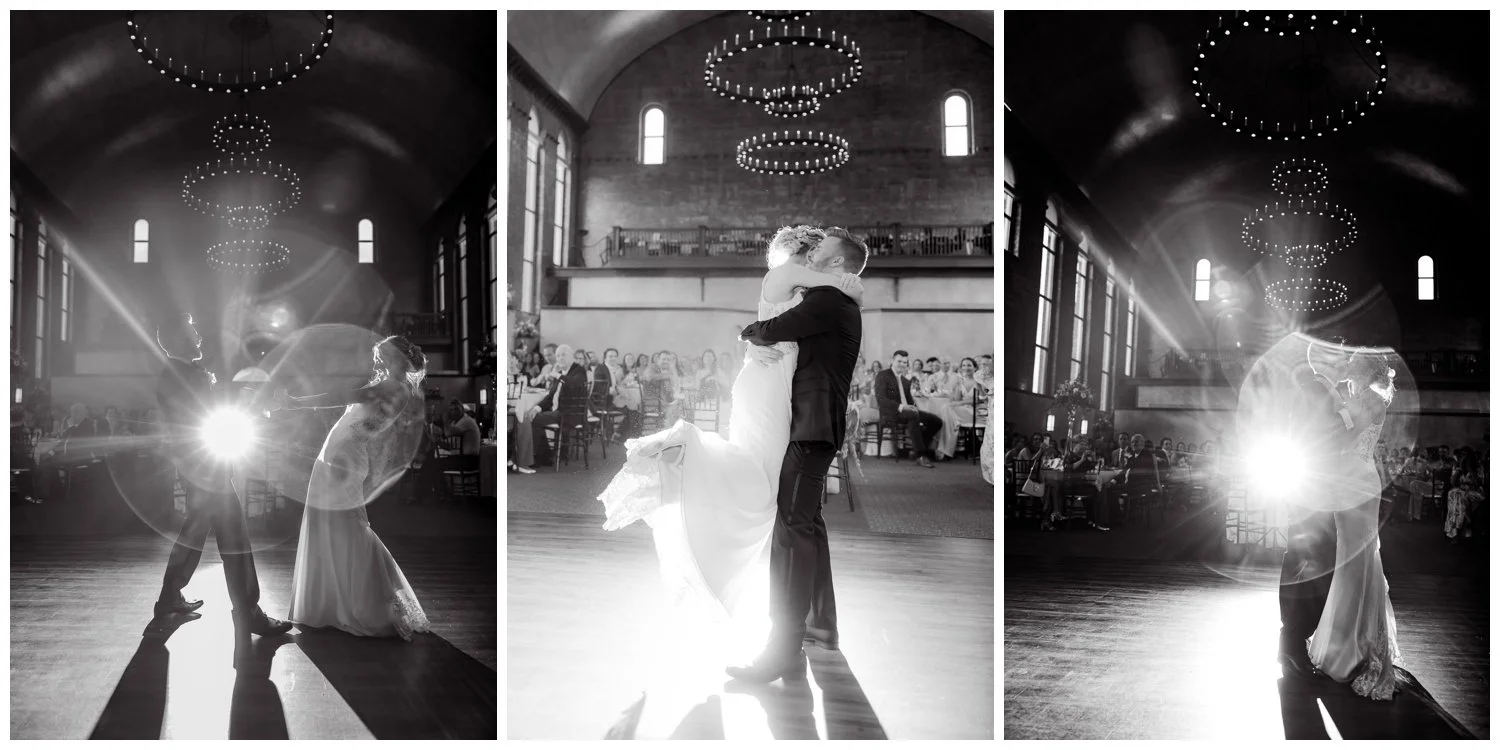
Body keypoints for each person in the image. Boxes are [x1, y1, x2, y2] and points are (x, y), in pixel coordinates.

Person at [595, 224, 866, 687]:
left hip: (807, 426)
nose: (816, 252)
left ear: (838, 262)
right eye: (812, 247)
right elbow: (771, 324)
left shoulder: (829, 300)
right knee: (804, 526)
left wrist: (751, 334)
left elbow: (770, 328)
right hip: (795, 419)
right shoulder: (828, 294)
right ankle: (820, 625)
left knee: (793, 531)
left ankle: (784, 648)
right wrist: (753, 336)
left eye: (824, 250)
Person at [272, 335, 432, 640]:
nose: (378, 361)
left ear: (398, 358)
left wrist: (294, 403)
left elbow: (339, 394)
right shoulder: (396, 388)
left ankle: (367, 603)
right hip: (341, 456)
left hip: (343, 461)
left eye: (383, 356)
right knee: (336, 526)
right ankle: (336, 603)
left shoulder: (391, 387)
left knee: (347, 527)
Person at [152, 313, 291, 638]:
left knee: (193, 535)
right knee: (235, 539)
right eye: (192, 329)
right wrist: (261, 406)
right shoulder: (189, 376)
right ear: (180, 338)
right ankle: (248, 614)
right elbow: (216, 411)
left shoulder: (175, 374)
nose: (199, 335)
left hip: (196, 468)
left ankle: (170, 598)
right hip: (208, 470)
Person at [874, 351, 942, 468]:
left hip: (907, 411)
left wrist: (913, 407)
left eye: (904, 362)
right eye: (899, 361)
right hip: (891, 412)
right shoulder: (883, 375)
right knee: (913, 416)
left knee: (936, 421)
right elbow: (881, 399)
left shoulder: (905, 380)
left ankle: (918, 450)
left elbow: (910, 401)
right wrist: (901, 407)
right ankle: (921, 455)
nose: (901, 364)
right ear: (892, 361)